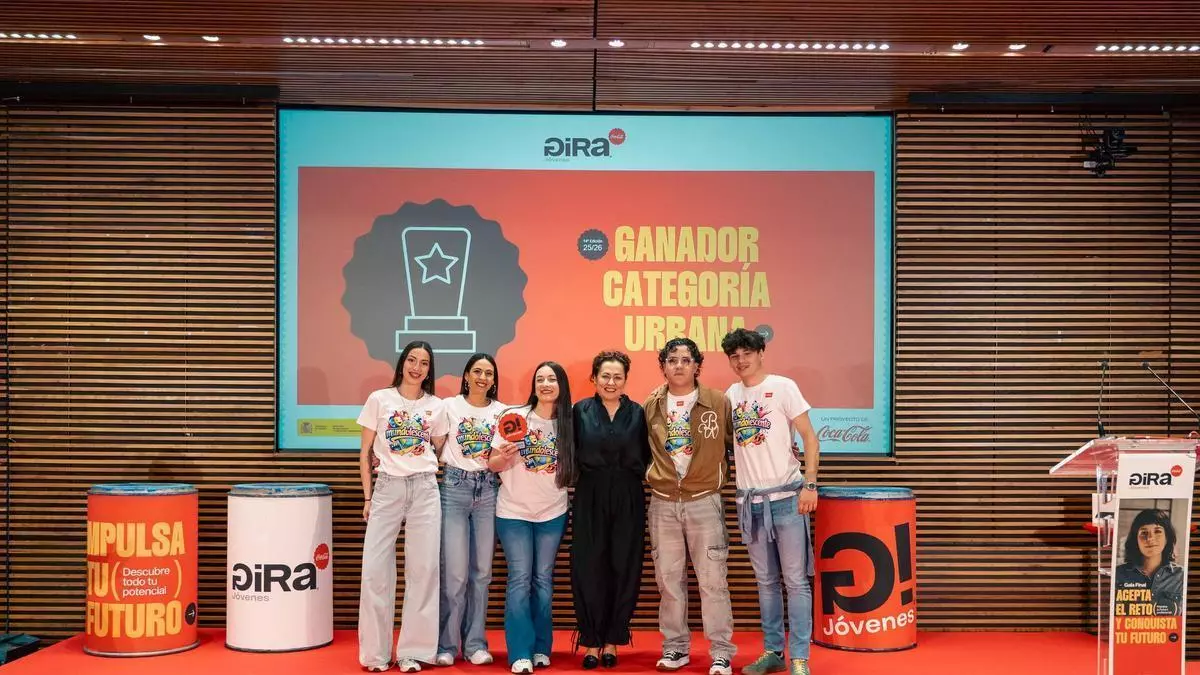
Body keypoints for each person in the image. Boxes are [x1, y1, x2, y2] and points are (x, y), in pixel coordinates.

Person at [721, 328, 821, 675]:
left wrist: (810, 484)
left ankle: (800, 658)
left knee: (796, 581)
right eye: (734, 356)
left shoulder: (783, 387)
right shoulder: (730, 395)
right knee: (765, 582)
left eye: (747, 353)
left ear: (761, 353)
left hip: (788, 499)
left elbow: (810, 438)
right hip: (750, 504)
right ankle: (773, 651)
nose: (741, 361)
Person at [644, 337, 736, 675]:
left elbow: (737, 444)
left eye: (686, 359)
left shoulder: (718, 402)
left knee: (713, 582)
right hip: (663, 502)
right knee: (668, 581)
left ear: (697, 365)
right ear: (663, 366)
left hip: (704, 500)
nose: (679, 365)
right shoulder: (651, 404)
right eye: (672, 360)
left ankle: (721, 653)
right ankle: (675, 648)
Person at [357, 340, 448, 673]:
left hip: (425, 489)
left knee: (423, 571)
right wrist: (368, 497)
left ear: (429, 370)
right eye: (412, 360)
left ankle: (414, 652)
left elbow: (441, 448)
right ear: (402, 363)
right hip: (387, 488)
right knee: (375, 571)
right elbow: (364, 452)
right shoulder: (379, 399)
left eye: (424, 363)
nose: (417, 367)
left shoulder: (436, 406)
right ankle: (375, 655)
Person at [488, 362, 577, 675]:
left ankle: (541, 648)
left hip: (552, 512)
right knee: (520, 579)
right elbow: (492, 463)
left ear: (561, 385)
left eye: (552, 379)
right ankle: (520, 652)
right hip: (513, 512)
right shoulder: (515, 417)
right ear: (534, 385)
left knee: (542, 580)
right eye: (540, 379)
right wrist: (502, 457)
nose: (546, 384)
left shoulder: (569, 423)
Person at [571, 350, 651, 669]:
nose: (611, 382)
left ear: (625, 380)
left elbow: (648, 455)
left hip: (629, 495)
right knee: (589, 567)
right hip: (589, 494)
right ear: (594, 378)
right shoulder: (580, 411)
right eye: (605, 375)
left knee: (624, 566)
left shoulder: (638, 413)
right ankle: (591, 640)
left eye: (618, 376)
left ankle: (613, 640)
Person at [435, 353, 509, 667]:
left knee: (482, 573)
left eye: (488, 373)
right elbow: (434, 446)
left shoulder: (502, 412)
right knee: (454, 575)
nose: (482, 377)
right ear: (466, 376)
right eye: (477, 371)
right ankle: (447, 645)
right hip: (454, 488)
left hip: (488, 490)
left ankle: (475, 644)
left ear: (494, 380)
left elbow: (502, 455)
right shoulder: (448, 406)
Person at [1114, 508, 1185, 615]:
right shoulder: (1117, 575)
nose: (1150, 538)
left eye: (1157, 531)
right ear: (1135, 539)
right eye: (1144, 532)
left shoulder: (1181, 576)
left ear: (1167, 538)